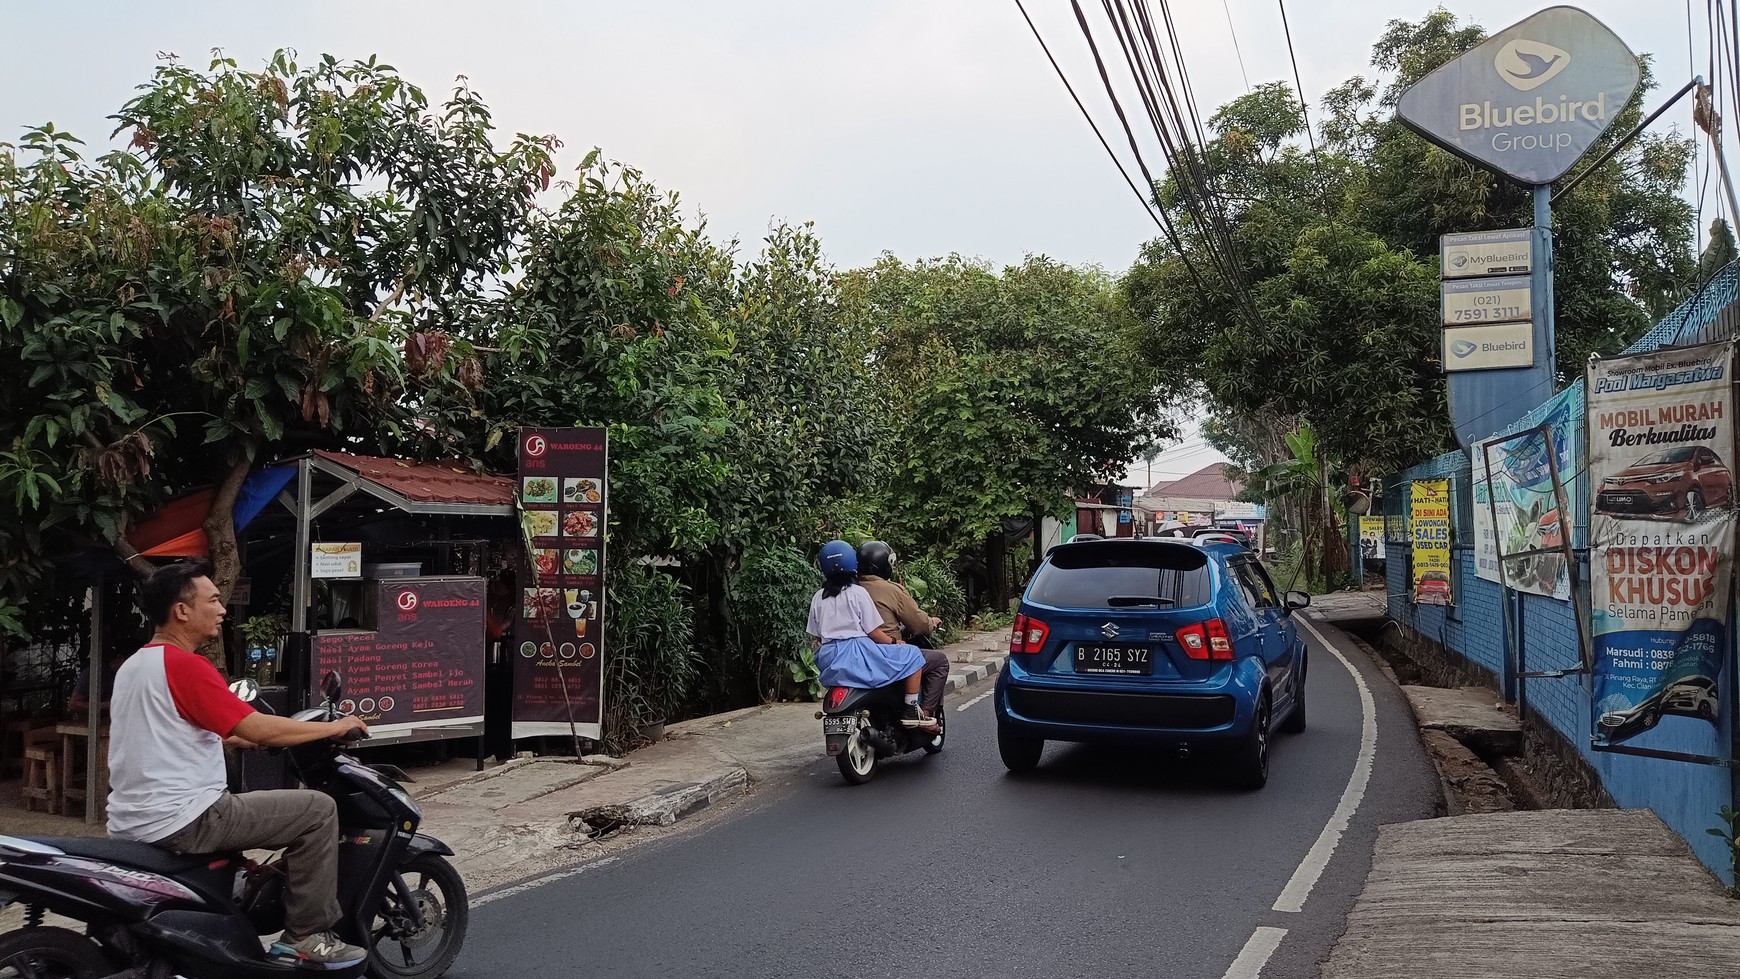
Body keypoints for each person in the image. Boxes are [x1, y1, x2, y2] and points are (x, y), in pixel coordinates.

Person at [107, 559, 373, 970]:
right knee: (318, 810)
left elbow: (186, 728)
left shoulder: (136, 666)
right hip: (187, 817)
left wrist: (238, 740)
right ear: (182, 610)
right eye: (213, 600)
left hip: (132, 820)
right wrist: (332, 728)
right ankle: (305, 936)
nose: (222, 609)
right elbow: (261, 727)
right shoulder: (186, 666)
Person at [806, 540, 938, 730]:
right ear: (853, 564)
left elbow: (817, 636)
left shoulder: (818, 596)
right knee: (914, 656)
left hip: (829, 657)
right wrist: (895, 642)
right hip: (859, 653)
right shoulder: (857, 593)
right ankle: (910, 709)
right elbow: (874, 633)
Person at [855, 541, 950, 723]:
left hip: (857, 655)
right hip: (887, 655)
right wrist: (932, 622)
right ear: (885, 566)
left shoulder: (848, 590)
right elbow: (919, 624)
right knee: (939, 661)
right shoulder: (892, 590)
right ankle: (923, 715)